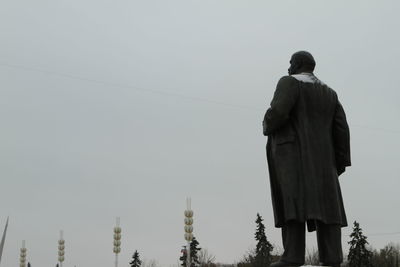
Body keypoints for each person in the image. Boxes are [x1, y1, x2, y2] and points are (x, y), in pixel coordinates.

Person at [263, 51, 351, 267]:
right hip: (324, 162)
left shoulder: (289, 83)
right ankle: (332, 258)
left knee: (293, 204)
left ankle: (292, 256)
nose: (288, 67)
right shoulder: (329, 93)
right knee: (328, 208)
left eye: (291, 63)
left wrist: (266, 124)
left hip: (292, 158)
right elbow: (342, 129)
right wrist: (338, 162)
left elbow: (278, 112)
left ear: (299, 64)